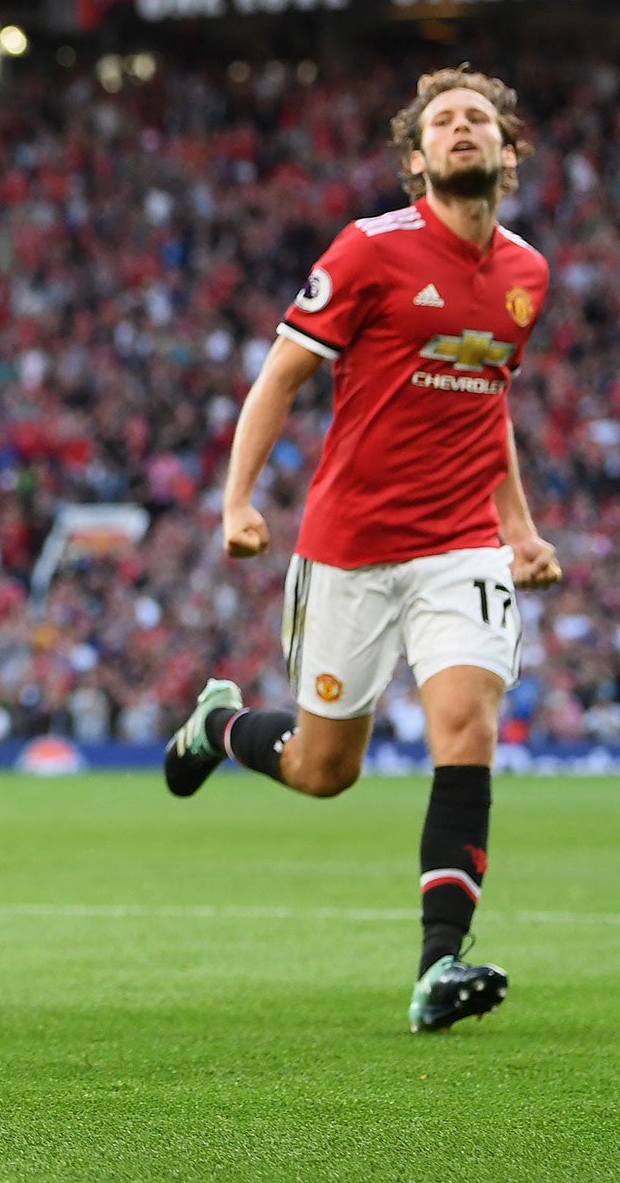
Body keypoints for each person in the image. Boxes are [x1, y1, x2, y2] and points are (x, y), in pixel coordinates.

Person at [165, 67, 558, 1034]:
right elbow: (282, 376)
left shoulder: (527, 275)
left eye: (479, 120)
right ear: (415, 157)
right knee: (323, 770)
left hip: (460, 547)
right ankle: (222, 724)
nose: (462, 130)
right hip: (349, 550)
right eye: (443, 122)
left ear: (509, 151)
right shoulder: (371, 250)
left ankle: (438, 968)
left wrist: (515, 526)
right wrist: (239, 498)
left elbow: (493, 395)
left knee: (465, 728)